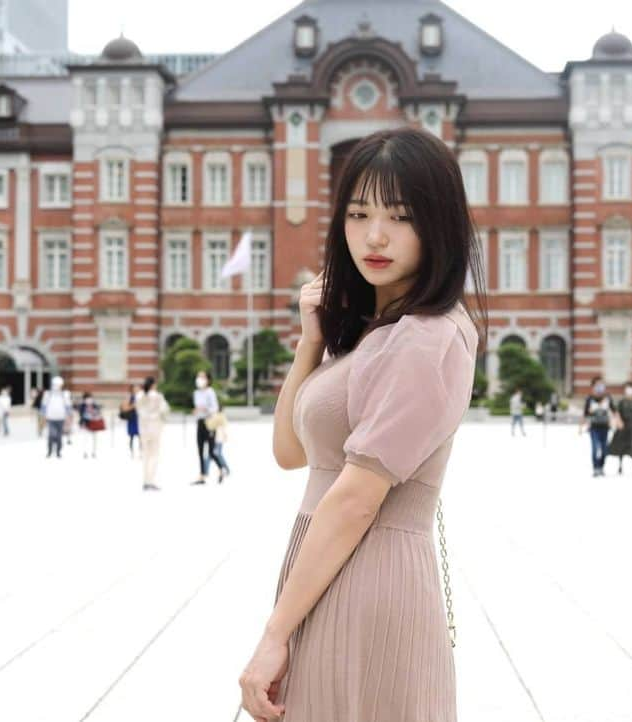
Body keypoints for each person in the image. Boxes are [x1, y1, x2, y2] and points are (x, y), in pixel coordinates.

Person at [239, 127, 485, 721]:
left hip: (369, 574)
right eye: (358, 213)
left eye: (400, 217)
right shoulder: (375, 336)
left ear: (439, 226)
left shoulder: (425, 338)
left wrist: (273, 635)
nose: (374, 235)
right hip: (329, 570)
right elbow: (290, 451)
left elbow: (355, 499)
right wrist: (312, 342)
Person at [135, 376, 170, 491]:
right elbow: (164, 410)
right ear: (153, 385)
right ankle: (151, 480)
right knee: (154, 455)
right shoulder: (158, 396)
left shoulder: (139, 396)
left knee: (145, 455)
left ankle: (145, 480)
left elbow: (138, 411)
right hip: (155, 428)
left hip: (143, 429)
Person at [579, 376, 615, 477]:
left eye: (602, 384)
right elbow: (585, 414)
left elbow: (614, 411)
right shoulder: (589, 399)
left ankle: (601, 467)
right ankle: (595, 468)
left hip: (605, 427)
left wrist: (617, 422)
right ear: (593, 386)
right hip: (594, 427)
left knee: (604, 450)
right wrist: (580, 427)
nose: (600, 387)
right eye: (597, 385)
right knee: (595, 449)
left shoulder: (608, 398)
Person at [608, 380, 632, 475]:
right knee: (621, 446)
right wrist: (618, 422)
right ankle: (620, 466)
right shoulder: (622, 402)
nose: (629, 390)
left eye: (631, 388)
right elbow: (617, 413)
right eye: (628, 388)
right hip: (623, 426)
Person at [191, 370, 220, 484]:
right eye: (198, 376)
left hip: (209, 422)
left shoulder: (210, 392)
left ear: (208, 379)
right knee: (200, 449)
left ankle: (221, 469)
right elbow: (197, 408)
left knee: (211, 451)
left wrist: (205, 409)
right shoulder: (196, 393)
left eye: (202, 377)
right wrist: (196, 411)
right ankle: (202, 475)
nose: (199, 379)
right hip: (200, 422)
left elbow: (215, 408)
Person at [41, 376, 71, 458]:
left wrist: (68, 417)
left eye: (58, 385)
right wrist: (43, 416)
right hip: (51, 418)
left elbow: (68, 407)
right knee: (51, 435)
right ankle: (50, 451)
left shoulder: (65, 394)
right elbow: (44, 406)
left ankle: (58, 451)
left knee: (59, 436)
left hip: (61, 418)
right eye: (55, 384)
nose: (57, 386)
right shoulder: (48, 394)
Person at [204, 410, 231, 483]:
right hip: (216, 439)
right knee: (216, 455)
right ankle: (225, 470)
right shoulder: (215, 416)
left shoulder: (218, 416)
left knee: (213, 455)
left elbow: (212, 427)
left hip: (217, 439)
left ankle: (206, 471)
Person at [78, 392, 104, 458]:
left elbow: (99, 412)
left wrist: (95, 412)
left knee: (94, 439)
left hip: (94, 424)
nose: (89, 399)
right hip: (86, 424)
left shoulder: (94, 405)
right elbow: (81, 415)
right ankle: (85, 452)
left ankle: (94, 452)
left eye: (90, 398)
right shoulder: (82, 406)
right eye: (87, 398)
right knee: (85, 439)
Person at [121, 384, 141, 458]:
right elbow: (124, 408)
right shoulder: (129, 397)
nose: (137, 390)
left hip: (140, 419)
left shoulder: (142, 397)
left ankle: (140, 452)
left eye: (138, 388)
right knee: (131, 437)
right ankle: (132, 452)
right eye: (135, 388)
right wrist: (133, 406)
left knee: (141, 436)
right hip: (132, 418)